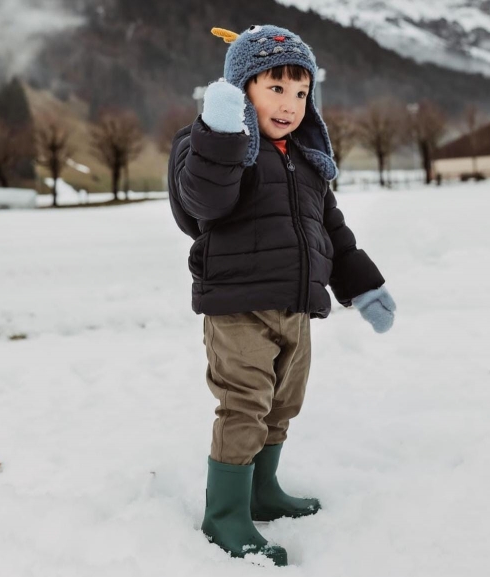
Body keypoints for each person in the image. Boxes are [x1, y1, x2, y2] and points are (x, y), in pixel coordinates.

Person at [167, 24, 397, 567]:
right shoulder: (210, 142)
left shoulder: (307, 159)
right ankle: (224, 513)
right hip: (237, 306)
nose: (290, 103)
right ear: (240, 89)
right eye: (275, 88)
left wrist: (363, 284)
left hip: (297, 306)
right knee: (245, 404)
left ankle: (262, 491)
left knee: (281, 406)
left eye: (301, 92)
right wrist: (219, 134)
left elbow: (331, 231)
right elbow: (200, 205)